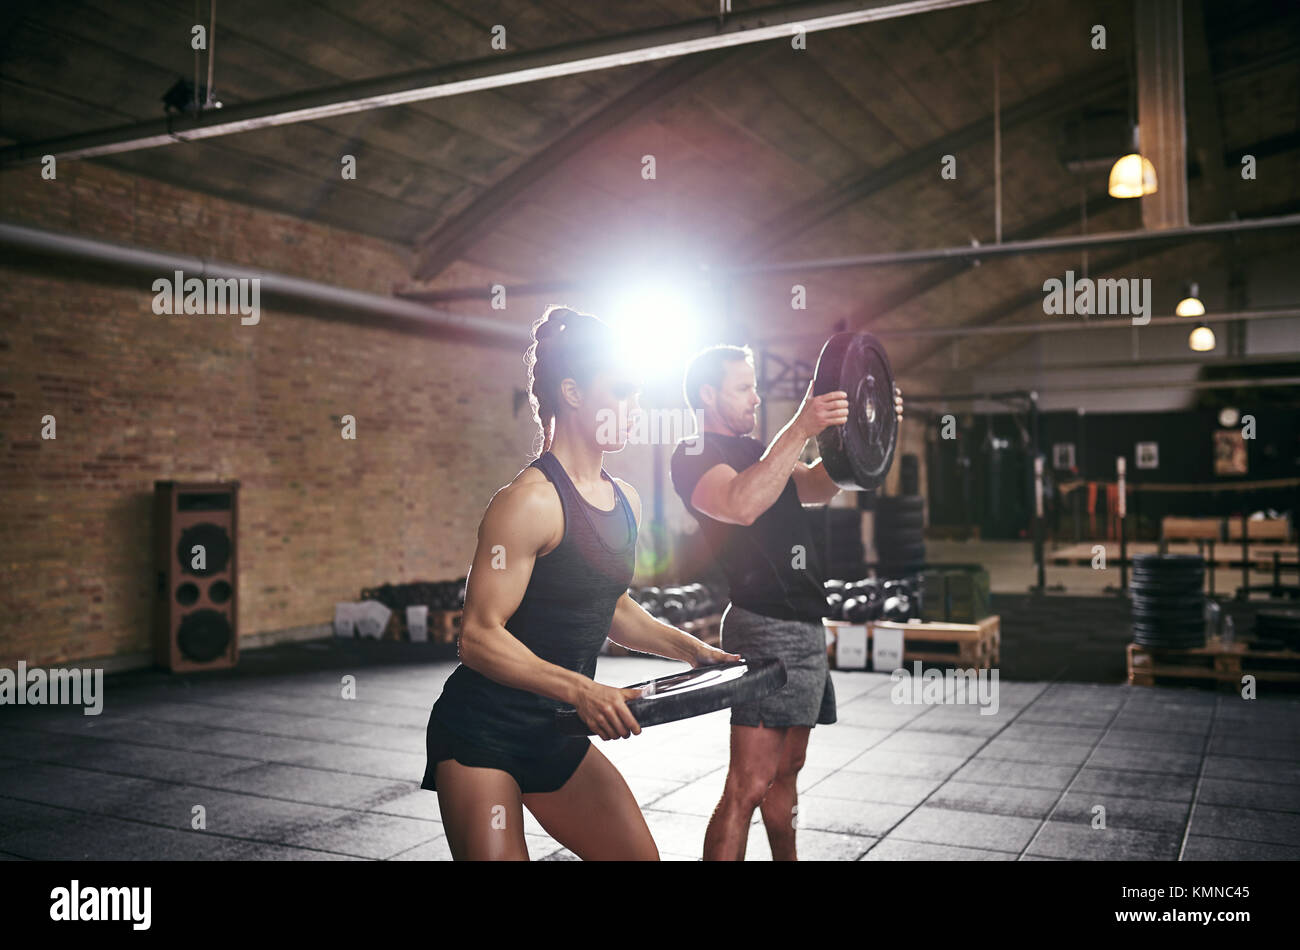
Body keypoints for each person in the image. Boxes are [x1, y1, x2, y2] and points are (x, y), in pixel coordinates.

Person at [420, 305, 738, 861]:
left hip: (558, 734)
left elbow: (610, 605)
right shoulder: (528, 502)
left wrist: (694, 651)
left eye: (638, 395)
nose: (634, 409)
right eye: (620, 392)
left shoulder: (625, 501)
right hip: (483, 734)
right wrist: (582, 689)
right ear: (572, 392)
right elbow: (477, 636)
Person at [669, 344, 902, 861]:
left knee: (787, 774)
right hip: (762, 625)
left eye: (755, 385)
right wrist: (800, 425)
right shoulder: (693, 454)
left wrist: (871, 427)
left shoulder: (759, 452)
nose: (756, 397)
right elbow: (741, 504)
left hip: (804, 626)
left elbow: (817, 485)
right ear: (708, 394)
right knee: (748, 784)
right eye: (743, 387)